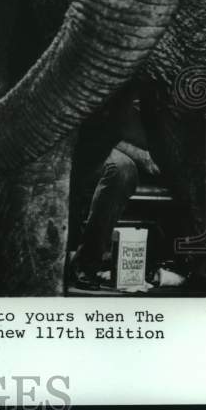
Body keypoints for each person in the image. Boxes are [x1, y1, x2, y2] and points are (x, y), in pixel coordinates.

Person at [68, 97, 158, 289]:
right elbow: (92, 126)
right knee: (122, 169)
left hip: (157, 154)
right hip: (102, 146)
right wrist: (139, 155)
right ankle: (86, 264)